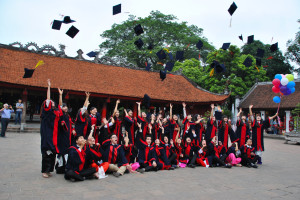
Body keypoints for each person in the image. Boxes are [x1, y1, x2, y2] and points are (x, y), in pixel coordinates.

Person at [40, 79, 63, 178]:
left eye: (53, 102)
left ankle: (49, 170)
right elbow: (48, 99)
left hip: (54, 136)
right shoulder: (47, 111)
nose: (52, 103)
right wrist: (49, 86)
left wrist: (60, 95)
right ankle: (44, 171)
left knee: (53, 153)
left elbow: (61, 106)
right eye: (50, 102)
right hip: (47, 134)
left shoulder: (56, 112)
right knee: (46, 153)